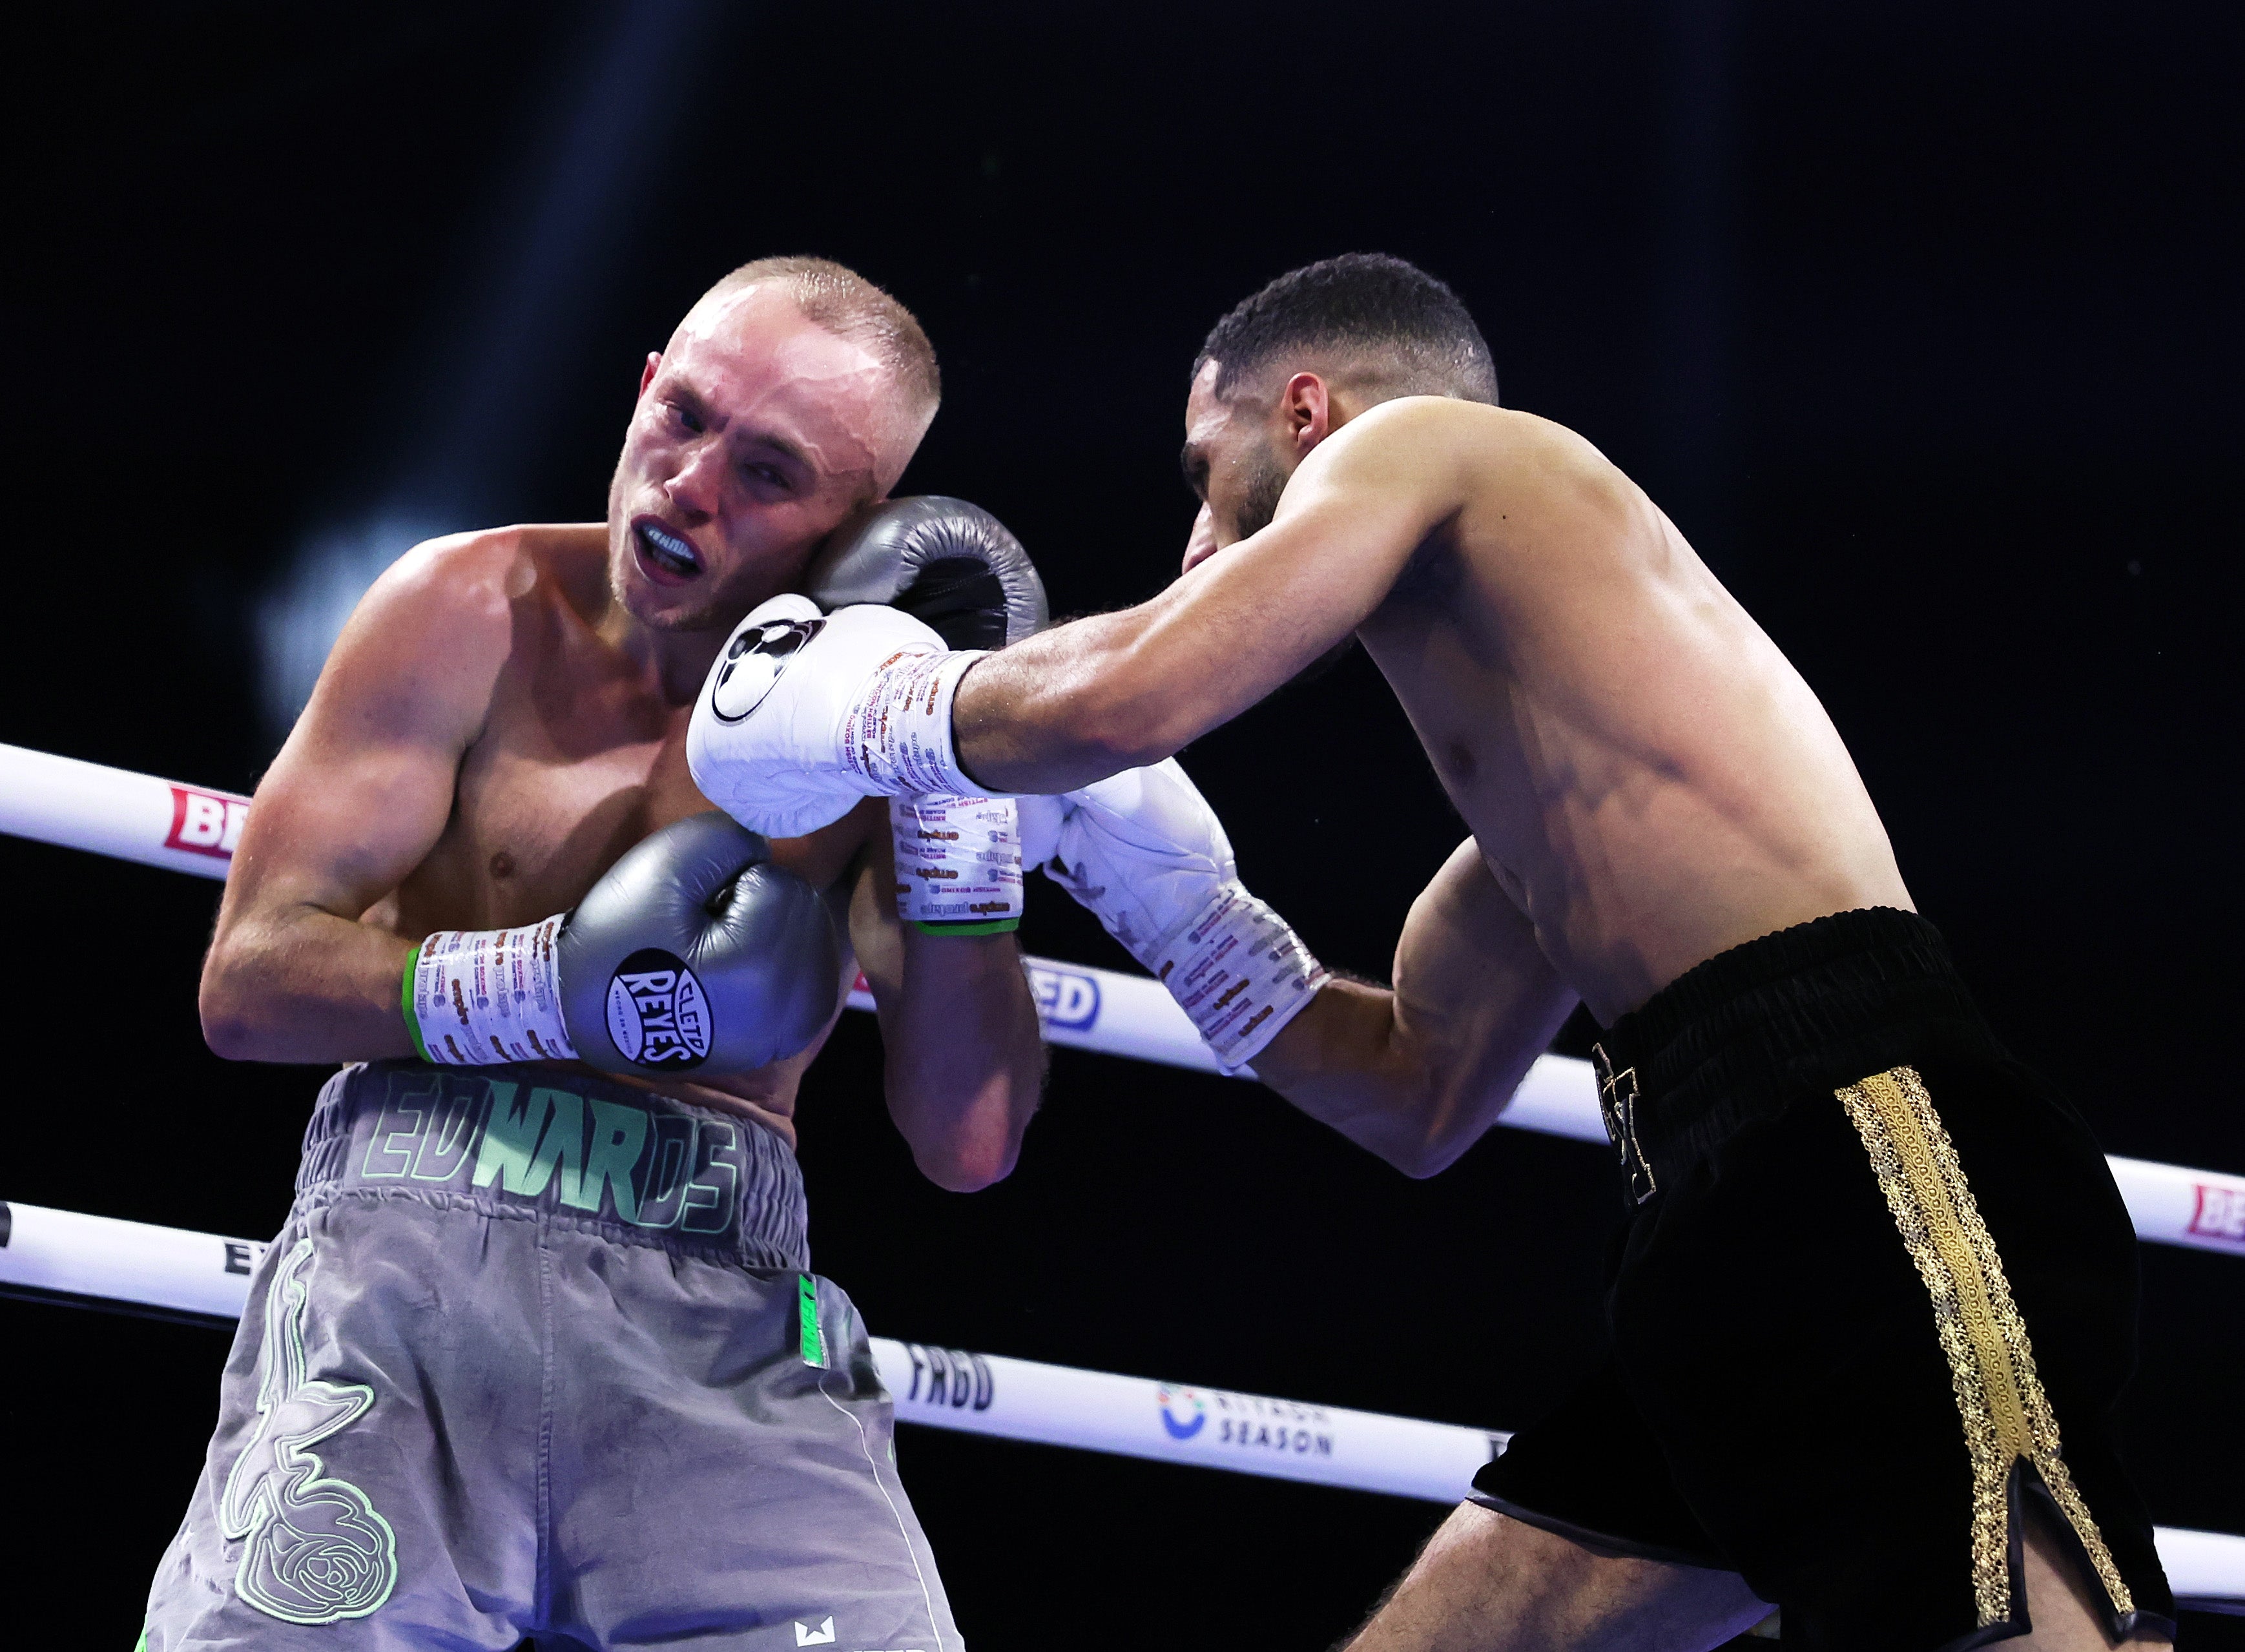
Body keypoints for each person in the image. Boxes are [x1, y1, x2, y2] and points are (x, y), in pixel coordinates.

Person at [682, 254, 2177, 1651]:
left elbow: (1128, 696)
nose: (1195, 541)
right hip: (1713, 1211)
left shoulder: (1435, 447)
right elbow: (1414, 1092)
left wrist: (888, 706)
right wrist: (1169, 903)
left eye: (1206, 478)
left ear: (1307, 412)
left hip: (1868, 1145)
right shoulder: (1550, 802)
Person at [141, 256, 1046, 1652]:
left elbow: (971, 1135)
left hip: (723, 1317)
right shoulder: (468, 608)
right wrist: (545, 985)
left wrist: (958, 809)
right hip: (407, 1270)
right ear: (641, 388)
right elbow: (246, 984)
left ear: (860, 529)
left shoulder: (882, 735)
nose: (688, 482)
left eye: (766, 470)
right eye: (681, 416)